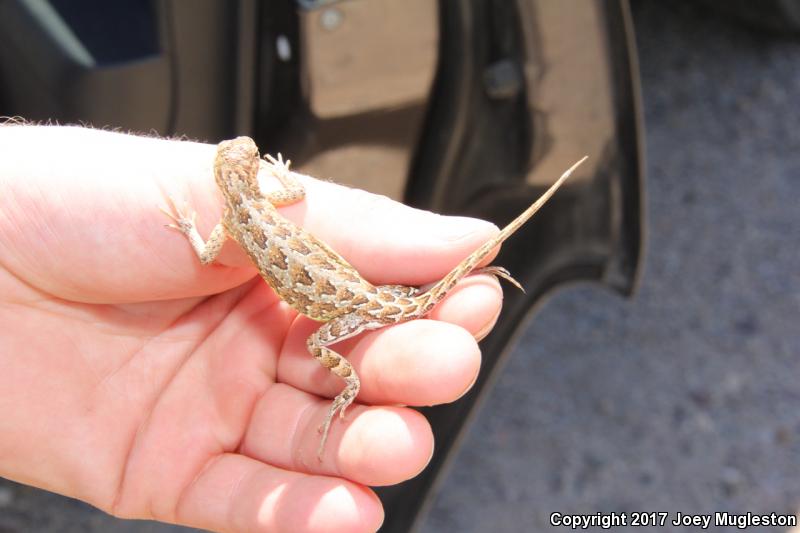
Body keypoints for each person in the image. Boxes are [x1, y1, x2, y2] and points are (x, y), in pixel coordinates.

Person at [0, 125, 506, 532]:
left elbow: (204, 253)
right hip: (348, 294)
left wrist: (189, 228)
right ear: (242, 176)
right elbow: (295, 191)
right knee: (361, 322)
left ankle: (353, 377)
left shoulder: (234, 222)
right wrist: (280, 176)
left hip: (344, 301)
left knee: (335, 333)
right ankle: (352, 379)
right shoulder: (266, 204)